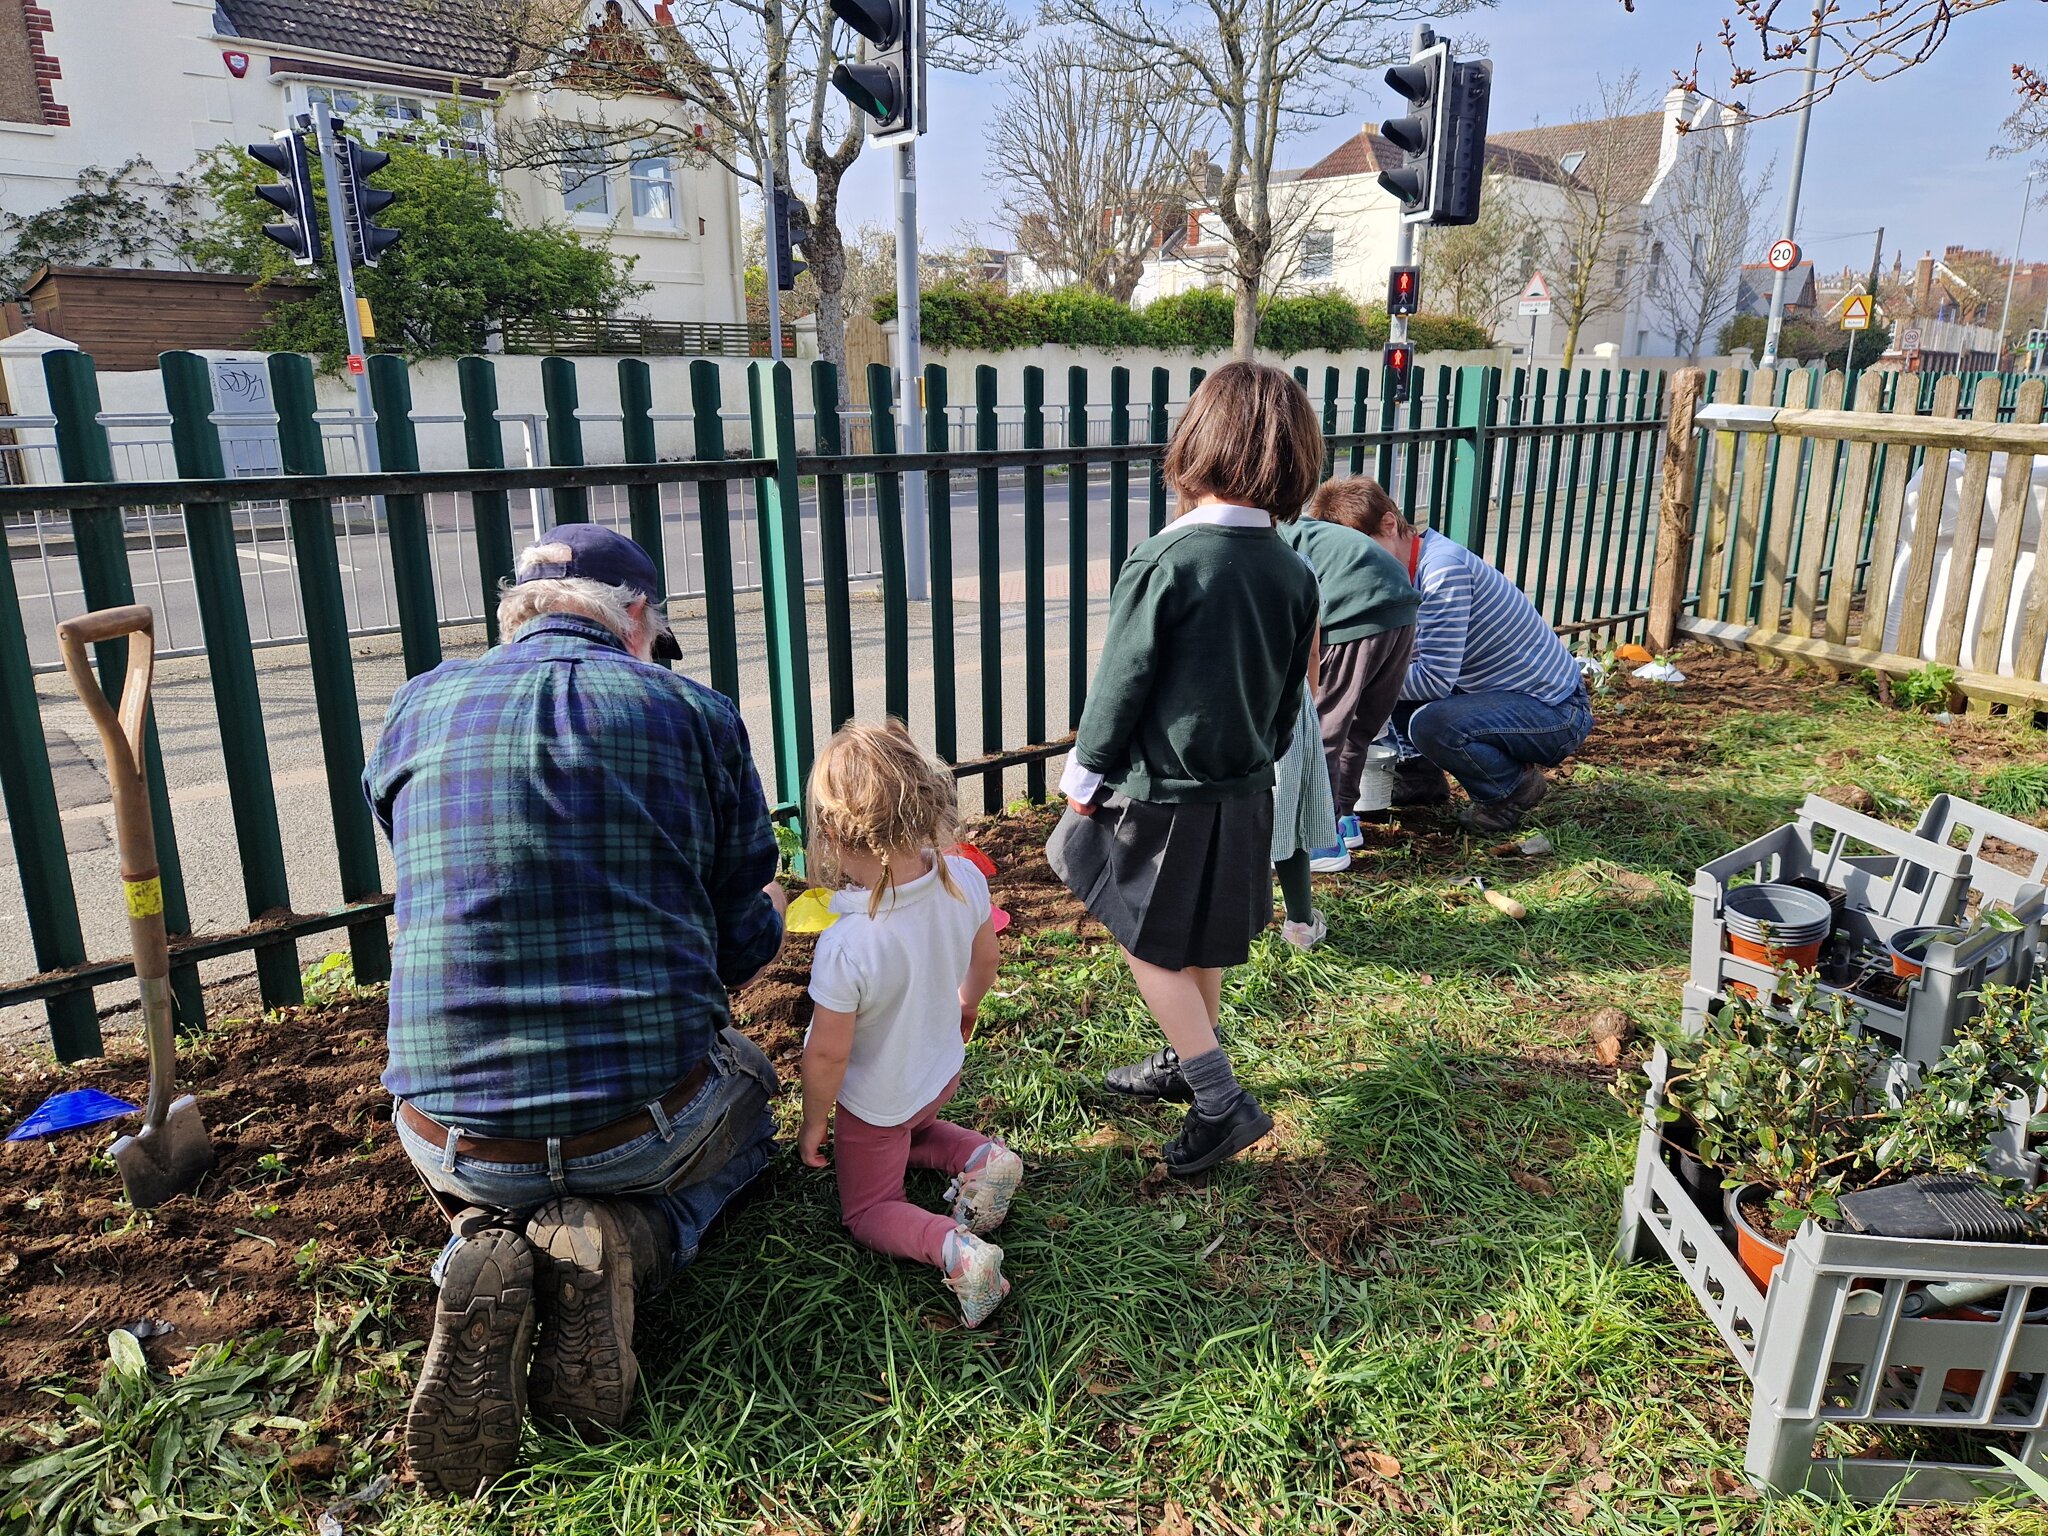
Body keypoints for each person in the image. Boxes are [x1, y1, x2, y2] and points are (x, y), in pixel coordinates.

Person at [364, 524, 788, 1497]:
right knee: (754, 1097)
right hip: (637, 1130)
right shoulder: (695, 714)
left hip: (454, 1135)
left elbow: (417, 855)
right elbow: (738, 942)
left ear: (513, 610)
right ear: (636, 617)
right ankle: (633, 1239)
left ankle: (480, 1241)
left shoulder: (417, 706)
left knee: (490, 1160)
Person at [1047, 361, 1320, 1173]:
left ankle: (1220, 1099)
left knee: (1143, 937)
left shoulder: (1169, 559)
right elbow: (1287, 699)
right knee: (1196, 937)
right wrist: (1258, 758)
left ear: (1197, 443)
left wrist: (1084, 779)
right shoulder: (1294, 570)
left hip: (1157, 795)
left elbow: (1121, 682)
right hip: (1244, 791)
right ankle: (1184, 1055)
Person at [798, 723, 1017, 1327]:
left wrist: (817, 1121)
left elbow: (826, 1056)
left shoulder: (849, 945)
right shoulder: (964, 879)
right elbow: (986, 961)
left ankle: (957, 1251)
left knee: (869, 1206)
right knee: (914, 1133)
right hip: (940, 1069)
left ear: (837, 834)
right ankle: (984, 1158)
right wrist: (966, 1006)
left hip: (878, 1102)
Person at [1353, 501, 1593, 834]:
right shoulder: (1408, 568)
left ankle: (1511, 789)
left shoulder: (1442, 571)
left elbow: (1434, 680)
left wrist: (1355, 684)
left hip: (1556, 713)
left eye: (1362, 550)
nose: (1358, 565)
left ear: (1389, 524)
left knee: (1430, 723)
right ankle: (1419, 776)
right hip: (1501, 697)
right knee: (1390, 668)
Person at [1281, 477, 1422, 852]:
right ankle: (1343, 819)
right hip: (1402, 612)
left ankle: (1320, 839)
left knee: (1323, 729)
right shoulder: (1307, 532)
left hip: (1354, 615)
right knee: (1357, 729)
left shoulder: (1266, 536)